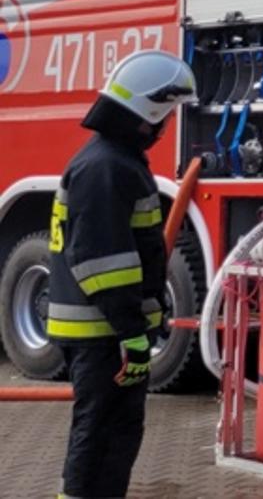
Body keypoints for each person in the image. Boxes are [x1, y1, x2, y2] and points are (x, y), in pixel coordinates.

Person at [48, 51, 198, 499]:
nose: (166, 126)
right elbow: (101, 261)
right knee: (98, 436)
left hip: (108, 332)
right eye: (166, 114)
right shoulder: (107, 167)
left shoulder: (113, 160)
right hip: (102, 335)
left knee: (115, 437)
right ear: (146, 111)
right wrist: (132, 333)